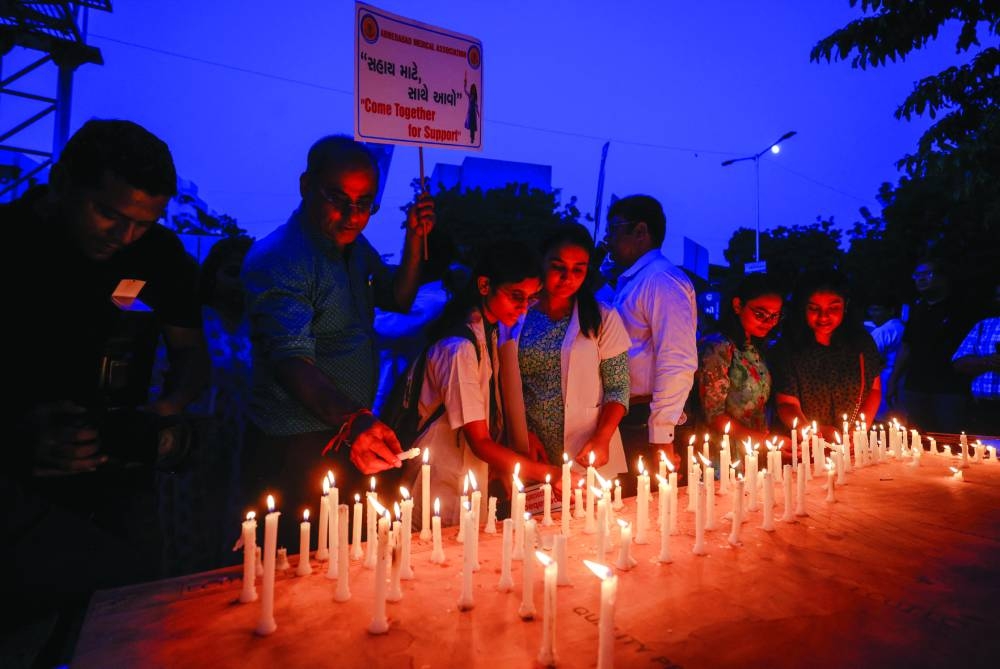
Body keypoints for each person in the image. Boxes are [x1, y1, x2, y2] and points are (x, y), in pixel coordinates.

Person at [5, 119, 208, 664]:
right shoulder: (13, 243)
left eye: (144, 223)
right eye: (111, 215)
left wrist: (158, 414)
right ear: (64, 180)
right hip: (19, 485)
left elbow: (191, 358)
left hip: (120, 472)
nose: (124, 237)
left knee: (132, 615)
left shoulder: (158, 255)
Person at [241, 135, 433, 545]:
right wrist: (353, 420)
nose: (352, 215)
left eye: (364, 204)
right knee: (291, 565)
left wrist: (414, 239)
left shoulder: (354, 247)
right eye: (338, 198)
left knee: (340, 558)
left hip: (343, 434)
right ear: (306, 186)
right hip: (294, 444)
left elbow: (397, 297)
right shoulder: (281, 259)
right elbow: (292, 362)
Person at [407, 240, 559, 527]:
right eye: (516, 296)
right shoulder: (459, 348)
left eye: (531, 298)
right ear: (485, 285)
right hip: (439, 483)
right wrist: (549, 474)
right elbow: (479, 442)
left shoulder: (487, 332)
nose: (524, 309)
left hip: (462, 478)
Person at [512, 223, 631, 481]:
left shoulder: (603, 317)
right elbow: (506, 387)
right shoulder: (517, 314)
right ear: (542, 261)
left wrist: (602, 437)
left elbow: (618, 387)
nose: (568, 278)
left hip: (587, 451)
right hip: (532, 452)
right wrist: (523, 433)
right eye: (558, 267)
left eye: (578, 270)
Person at [603, 195, 697, 486]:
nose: (608, 239)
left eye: (614, 228)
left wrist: (661, 435)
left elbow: (677, 360)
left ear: (641, 231)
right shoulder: (634, 280)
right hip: (629, 417)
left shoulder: (661, 281)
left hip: (647, 420)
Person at [772, 269, 882, 443]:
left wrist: (860, 429)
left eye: (833, 308)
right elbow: (786, 404)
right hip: (806, 445)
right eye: (814, 308)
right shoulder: (788, 348)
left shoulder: (861, 342)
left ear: (845, 306)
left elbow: (874, 390)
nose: (824, 316)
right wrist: (813, 434)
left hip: (854, 443)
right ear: (802, 308)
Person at [695, 273, 784, 448]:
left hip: (755, 448)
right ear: (737, 306)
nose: (768, 322)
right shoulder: (718, 348)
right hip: (724, 451)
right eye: (760, 314)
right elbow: (714, 416)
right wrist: (764, 442)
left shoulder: (755, 348)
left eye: (775, 316)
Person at [951, 281, 1000, 434]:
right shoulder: (984, 325)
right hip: (984, 410)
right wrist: (988, 361)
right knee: (984, 456)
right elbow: (958, 362)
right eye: (999, 295)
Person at [866, 294, 905, 421]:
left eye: (877, 310)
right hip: (900, 384)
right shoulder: (902, 327)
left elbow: (869, 358)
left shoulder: (883, 331)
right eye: (871, 310)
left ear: (891, 311)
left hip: (884, 384)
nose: (873, 314)